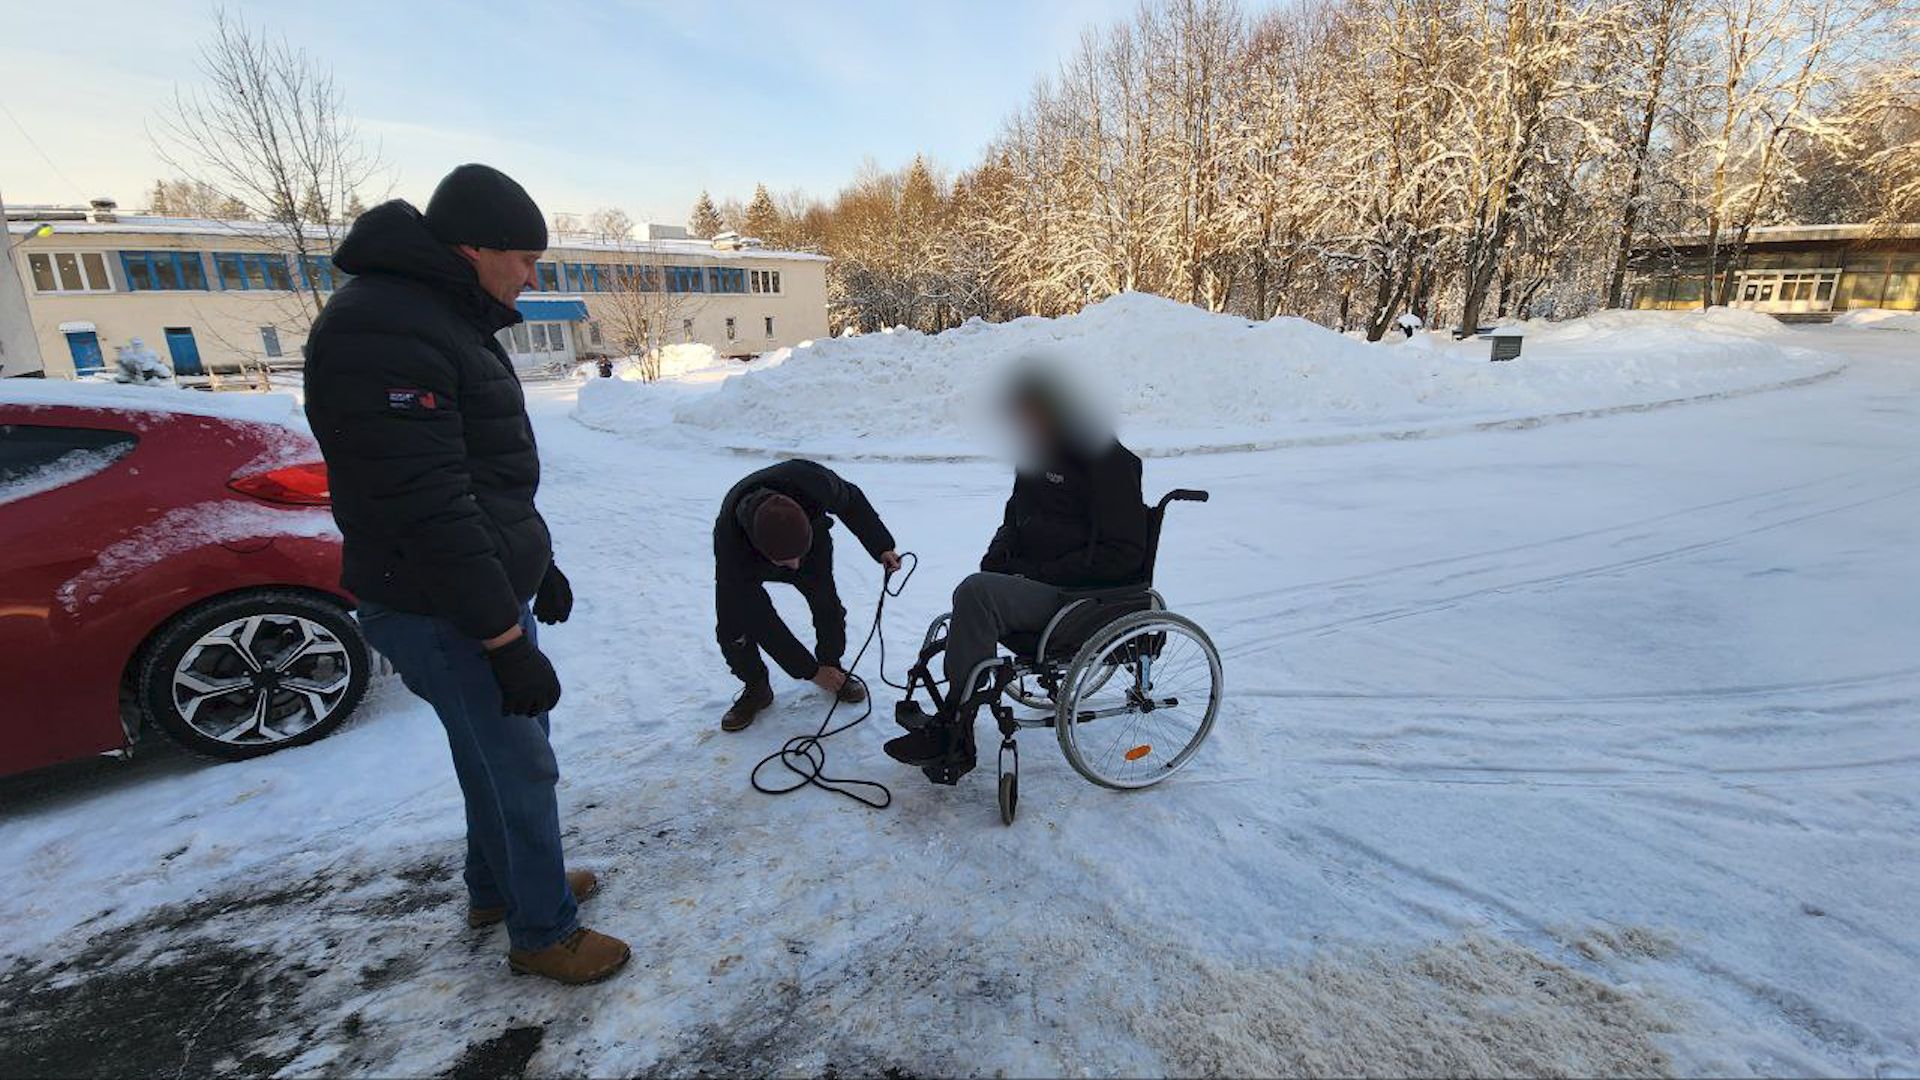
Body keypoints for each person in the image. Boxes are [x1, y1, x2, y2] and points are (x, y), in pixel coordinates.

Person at [303, 164, 628, 985]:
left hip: (468, 593)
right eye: (524, 257)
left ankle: (503, 888)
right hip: (442, 606)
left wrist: (538, 566)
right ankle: (542, 930)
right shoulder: (387, 329)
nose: (532, 276)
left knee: (494, 754)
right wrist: (502, 635)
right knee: (520, 762)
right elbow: (429, 507)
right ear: (473, 246)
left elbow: (488, 476)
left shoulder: (433, 316)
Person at [884, 365, 1150, 773]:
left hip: (1081, 599)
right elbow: (1013, 521)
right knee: (977, 590)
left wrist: (1040, 573)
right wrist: (999, 555)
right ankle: (958, 705)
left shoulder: (1107, 463)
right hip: (1040, 583)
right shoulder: (1036, 456)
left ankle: (955, 731)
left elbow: (1124, 553)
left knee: (977, 593)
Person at [715, 459, 901, 732]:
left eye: (796, 557)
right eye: (787, 561)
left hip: (812, 541)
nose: (795, 567)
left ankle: (833, 668)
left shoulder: (813, 481)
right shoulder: (730, 541)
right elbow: (762, 621)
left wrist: (881, 545)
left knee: (828, 607)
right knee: (733, 627)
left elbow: (852, 502)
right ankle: (756, 687)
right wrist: (809, 671)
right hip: (749, 562)